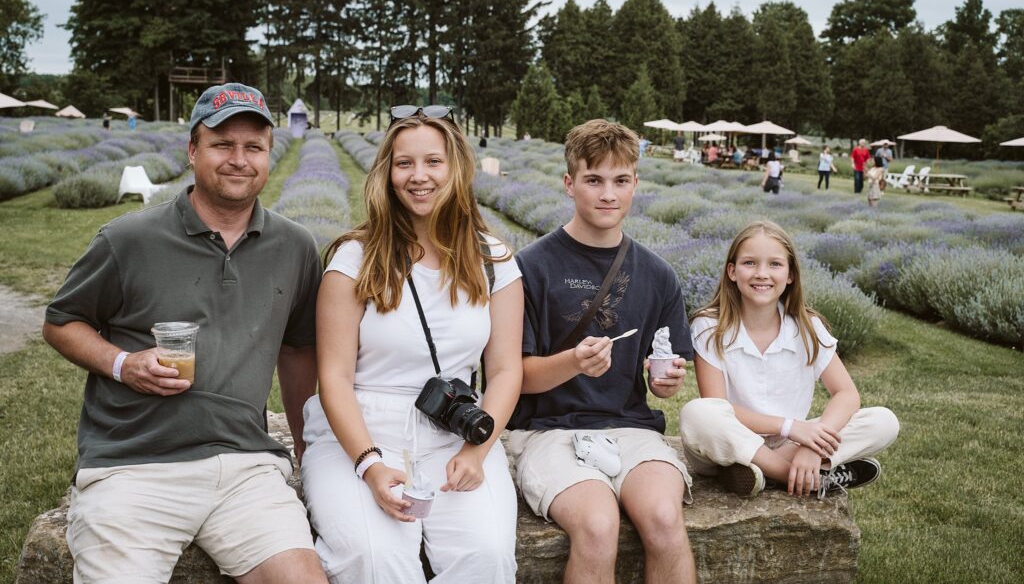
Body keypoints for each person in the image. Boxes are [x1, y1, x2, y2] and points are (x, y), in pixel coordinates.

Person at [42, 82, 327, 583]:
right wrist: (124, 365)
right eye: (222, 144)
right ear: (193, 150)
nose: (239, 160)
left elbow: (299, 351)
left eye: (253, 147)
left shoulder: (295, 247)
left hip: (246, 468)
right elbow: (61, 322)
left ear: (268, 154)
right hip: (132, 468)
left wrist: (308, 457)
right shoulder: (127, 240)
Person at [301, 106, 524, 583]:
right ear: (387, 172)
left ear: (457, 168)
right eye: (404, 163)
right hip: (360, 432)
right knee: (374, 560)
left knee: (486, 557)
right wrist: (370, 465)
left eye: (433, 162)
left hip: (455, 431)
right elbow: (333, 378)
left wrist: (477, 453)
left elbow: (506, 371)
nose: (418, 176)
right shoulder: (355, 258)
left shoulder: (494, 260)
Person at [508, 119, 697, 584]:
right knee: (597, 525)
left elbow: (661, 379)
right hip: (546, 431)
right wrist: (573, 362)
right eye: (593, 180)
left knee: (665, 519)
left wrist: (664, 381)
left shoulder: (658, 275)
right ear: (570, 184)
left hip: (630, 428)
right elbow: (514, 378)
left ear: (636, 184)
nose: (607, 194)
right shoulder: (530, 267)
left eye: (620, 181)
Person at [680, 220, 899, 498]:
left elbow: (846, 393)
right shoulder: (710, 326)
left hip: (792, 444)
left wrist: (811, 446)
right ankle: (799, 478)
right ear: (732, 272)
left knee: (883, 421)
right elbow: (719, 406)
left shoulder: (807, 327)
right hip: (727, 443)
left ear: (791, 274)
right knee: (698, 413)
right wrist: (791, 427)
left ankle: (764, 472)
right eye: (750, 263)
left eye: (775, 264)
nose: (762, 274)